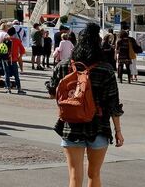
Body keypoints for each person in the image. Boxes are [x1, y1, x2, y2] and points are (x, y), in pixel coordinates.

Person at [48, 22, 124, 187]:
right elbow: (113, 104)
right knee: (94, 175)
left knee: (74, 176)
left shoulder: (64, 66)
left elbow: (52, 91)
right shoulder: (106, 69)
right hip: (99, 126)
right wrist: (118, 131)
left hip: (71, 125)